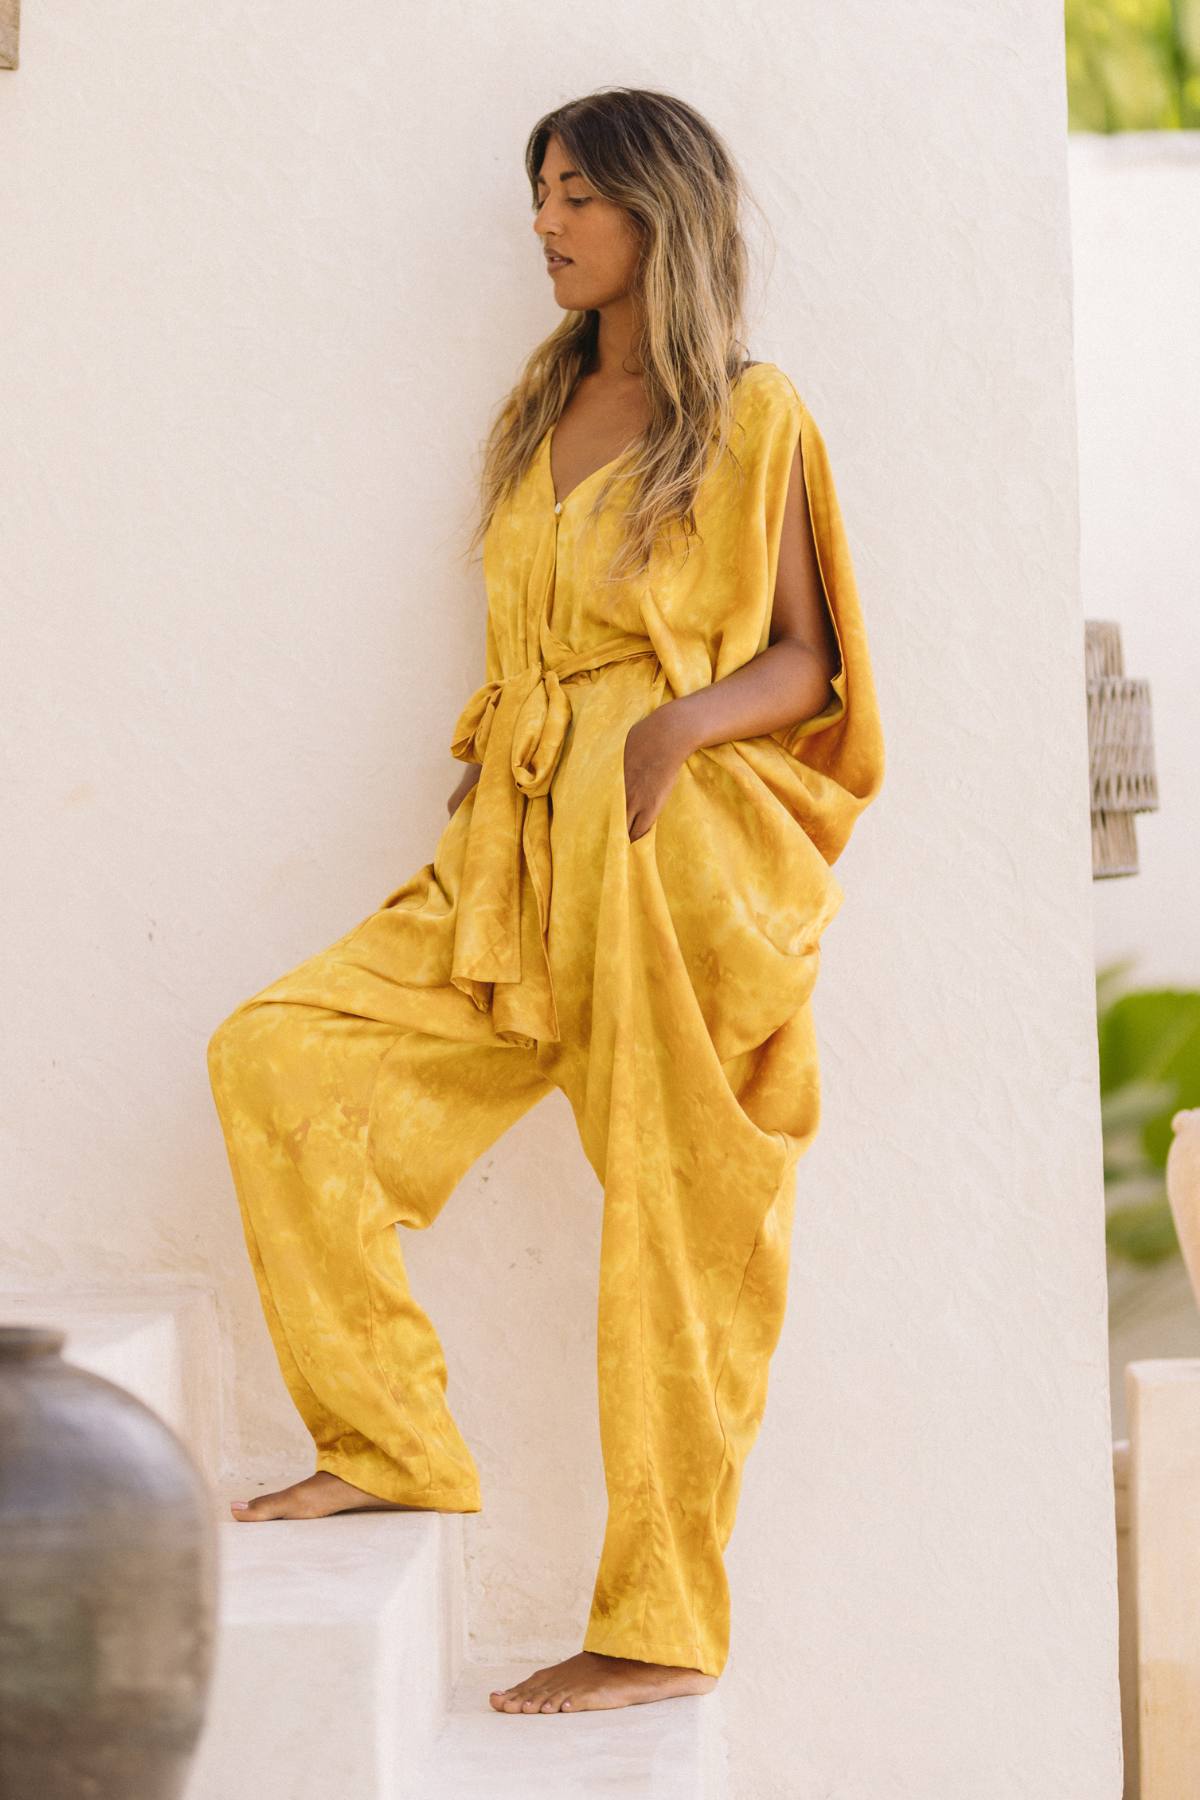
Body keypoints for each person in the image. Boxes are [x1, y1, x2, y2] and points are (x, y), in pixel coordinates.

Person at [206, 85, 885, 1717]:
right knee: (279, 1055)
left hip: (669, 853)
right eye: (544, 195)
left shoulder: (751, 413)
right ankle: (389, 1445)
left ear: (661, 207)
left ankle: (657, 1624)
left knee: (676, 1226)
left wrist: (674, 723)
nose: (547, 222)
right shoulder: (540, 402)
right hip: (509, 852)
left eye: (578, 194)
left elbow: (811, 652)